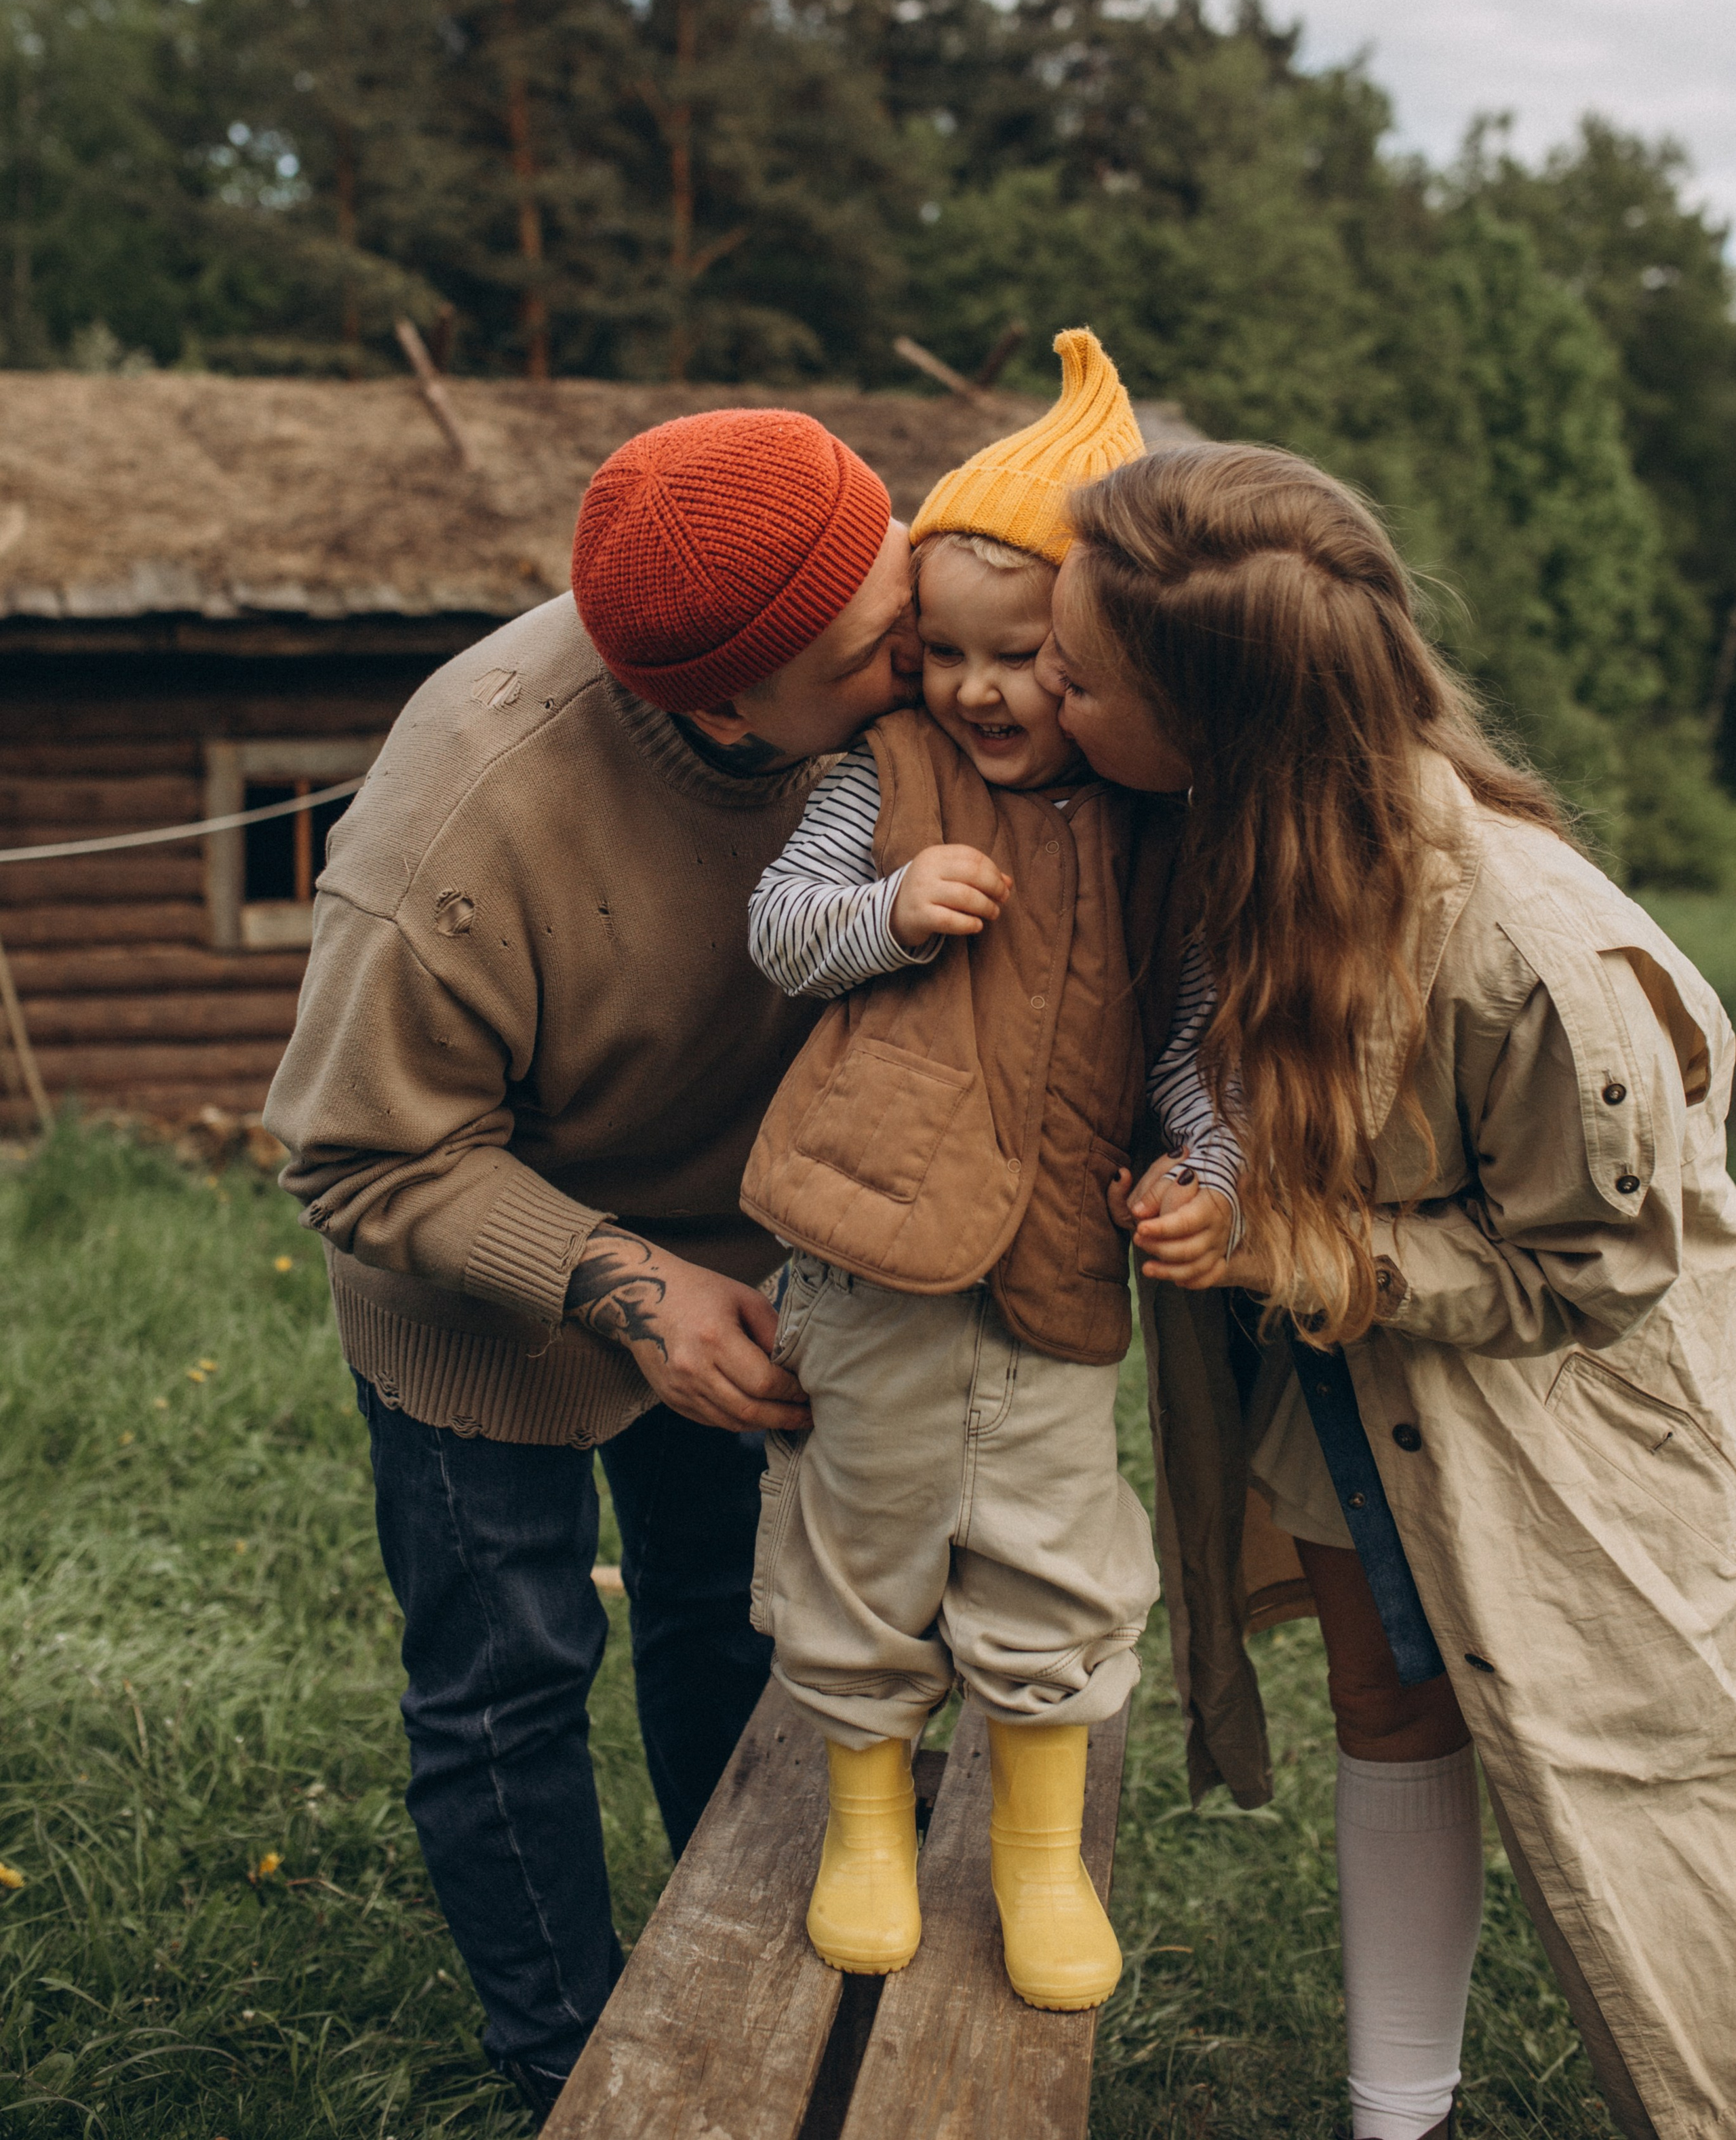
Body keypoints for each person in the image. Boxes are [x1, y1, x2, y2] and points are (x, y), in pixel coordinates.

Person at [1037, 438, 1736, 2140]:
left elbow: (1597, 1269)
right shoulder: (1209, 833)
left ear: (1216, 721)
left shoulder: (1523, 953)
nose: (1040, 693)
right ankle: (1392, 2111)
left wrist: (1309, 1252)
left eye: (1075, 673)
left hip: (1548, 1416)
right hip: (1357, 1391)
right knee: (1389, 1706)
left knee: (1630, 1762)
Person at [264, 408, 923, 2124]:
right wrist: (624, 1287)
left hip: (748, 1257)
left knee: (737, 1626)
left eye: (901, 587)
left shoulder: (886, 672)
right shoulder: (461, 822)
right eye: (876, 652)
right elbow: (353, 1151)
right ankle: (565, 2067)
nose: (922, 659)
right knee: (508, 1679)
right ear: (718, 707)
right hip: (482, 1272)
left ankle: (769, 1990)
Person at [737, 330, 1239, 2012]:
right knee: (859, 1533)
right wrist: (882, 913)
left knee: (1047, 1546)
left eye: (1021, 658)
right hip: (868, 1252)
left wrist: (1213, 1169)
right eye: (941, 655)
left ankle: (1034, 1849)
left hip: (1049, 1262)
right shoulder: (879, 777)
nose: (978, 691)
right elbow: (775, 938)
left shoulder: (1156, 820)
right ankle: (863, 1818)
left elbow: (1184, 1036)